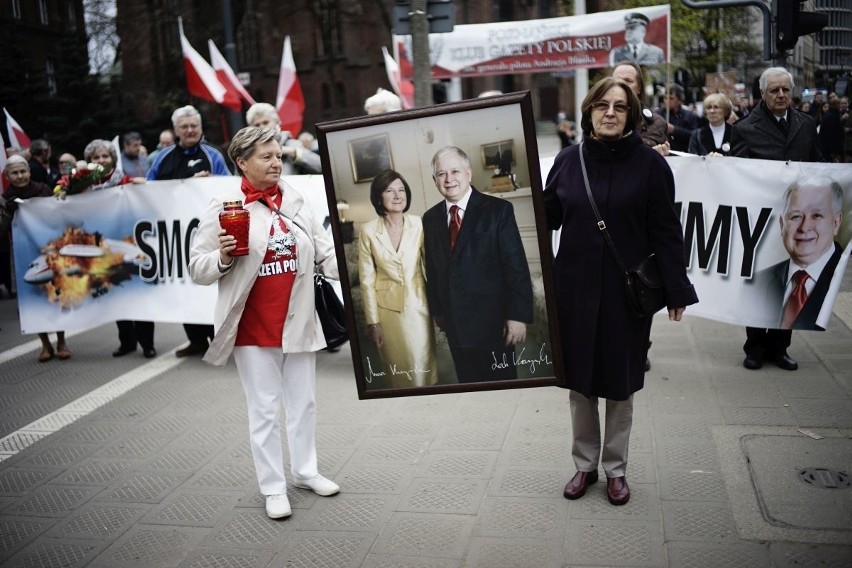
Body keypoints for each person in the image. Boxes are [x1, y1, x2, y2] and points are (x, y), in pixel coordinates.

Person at [544, 77, 697, 506]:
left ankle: (616, 470)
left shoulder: (651, 166)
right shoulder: (568, 160)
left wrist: (676, 288)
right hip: (572, 290)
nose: (610, 113)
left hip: (625, 295)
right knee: (579, 385)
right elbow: (547, 217)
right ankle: (584, 466)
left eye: (620, 107)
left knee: (620, 384)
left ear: (630, 115)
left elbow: (666, 232)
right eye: (602, 106)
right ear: (589, 111)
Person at [188, 126, 340, 520]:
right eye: (266, 157)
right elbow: (198, 268)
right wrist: (221, 258)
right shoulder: (224, 204)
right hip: (253, 328)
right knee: (265, 410)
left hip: (300, 321)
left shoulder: (295, 198)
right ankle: (273, 488)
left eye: (278, 155)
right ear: (241, 161)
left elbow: (325, 256)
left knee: (304, 404)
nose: (277, 163)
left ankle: (306, 471)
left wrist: (360, 266)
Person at [731, 66, 822, 371]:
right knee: (759, 284)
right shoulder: (745, 128)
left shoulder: (807, 124)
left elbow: (818, 163)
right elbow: (738, 173)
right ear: (763, 94)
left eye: (785, 89)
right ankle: (755, 347)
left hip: (798, 221)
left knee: (790, 282)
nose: (781, 95)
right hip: (761, 220)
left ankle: (780, 346)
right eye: (774, 90)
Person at [422, 146, 533, 383]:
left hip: (494, 323)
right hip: (455, 324)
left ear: (469, 174)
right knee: (469, 384)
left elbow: (516, 266)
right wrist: (438, 310)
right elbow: (433, 268)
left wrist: (517, 316)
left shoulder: (498, 210)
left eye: (455, 171)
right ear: (434, 180)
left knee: (501, 385)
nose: (449, 179)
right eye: (442, 174)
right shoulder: (430, 219)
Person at [147, 105, 230, 357]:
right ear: (176, 131)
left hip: (209, 233)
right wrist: (186, 186)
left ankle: (220, 339)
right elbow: (149, 192)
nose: (190, 130)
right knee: (183, 287)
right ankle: (196, 340)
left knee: (211, 285)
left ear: (201, 128)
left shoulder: (213, 154)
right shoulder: (162, 158)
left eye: (194, 125)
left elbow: (229, 187)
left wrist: (209, 185)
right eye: (184, 127)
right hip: (177, 236)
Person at [358, 169, 437, 388]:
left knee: (422, 363)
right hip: (387, 312)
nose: (397, 195)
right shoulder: (368, 231)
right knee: (398, 369)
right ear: (378, 197)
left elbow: (431, 268)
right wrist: (373, 322)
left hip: (419, 305)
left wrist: (440, 306)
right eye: (389, 190)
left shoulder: (419, 224)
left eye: (401, 190)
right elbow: (366, 280)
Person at [77, 139, 155, 358]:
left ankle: (147, 343)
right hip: (104, 249)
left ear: (113, 159)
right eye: (96, 157)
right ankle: (127, 342)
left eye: (105, 156)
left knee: (137, 294)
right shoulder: (83, 185)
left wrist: (141, 186)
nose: (101, 160)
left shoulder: (125, 180)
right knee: (117, 292)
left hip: (129, 244)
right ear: (89, 161)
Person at [746, 178, 844, 331]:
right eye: (795, 216)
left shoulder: (843, 278)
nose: (804, 227)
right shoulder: (759, 280)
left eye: (817, 215)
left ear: (836, 222)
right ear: (781, 224)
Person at [1, 155, 72, 361]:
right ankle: (45, 344)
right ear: (7, 176)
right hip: (25, 254)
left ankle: (61, 341)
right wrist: (7, 213)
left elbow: (57, 216)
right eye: (15, 172)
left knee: (56, 293)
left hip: (48, 249)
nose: (20, 176)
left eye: (23, 171)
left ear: (29, 172)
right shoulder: (5, 199)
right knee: (33, 297)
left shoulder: (44, 191)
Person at [245, 103, 322, 175]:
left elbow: (320, 165)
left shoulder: (291, 144)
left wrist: (292, 152)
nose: (262, 127)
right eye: (257, 125)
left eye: (265, 122)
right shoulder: (249, 150)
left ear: (277, 122)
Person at [612, 61, 669, 156]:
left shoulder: (655, 122)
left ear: (639, 88)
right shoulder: (598, 118)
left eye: (628, 81)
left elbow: (643, 150)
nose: (621, 85)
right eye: (616, 80)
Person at [656, 84, 699, 152]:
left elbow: (694, 135)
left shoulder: (689, 115)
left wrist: (674, 130)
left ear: (679, 100)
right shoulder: (658, 114)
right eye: (665, 98)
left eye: (671, 98)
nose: (667, 101)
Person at [817, 97, 844, 163]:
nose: (840, 105)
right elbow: (830, 135)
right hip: (831, 151)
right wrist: (833, 152)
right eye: (839, 104)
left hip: (829, 149)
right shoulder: (832, 117)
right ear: (836, 105)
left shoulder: (831, 115)